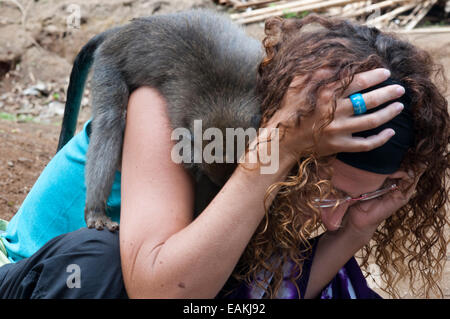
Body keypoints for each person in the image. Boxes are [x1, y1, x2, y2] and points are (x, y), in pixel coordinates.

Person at [0, 14, 448, 299]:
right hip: (37, 276)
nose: (331, 220)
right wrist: (279, 147)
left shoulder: (309, 177)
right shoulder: (169, 108)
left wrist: (355, 229)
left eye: (353, 200)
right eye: (333, 193)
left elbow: (255, 294)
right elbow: (160, 292)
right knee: (99, 261)